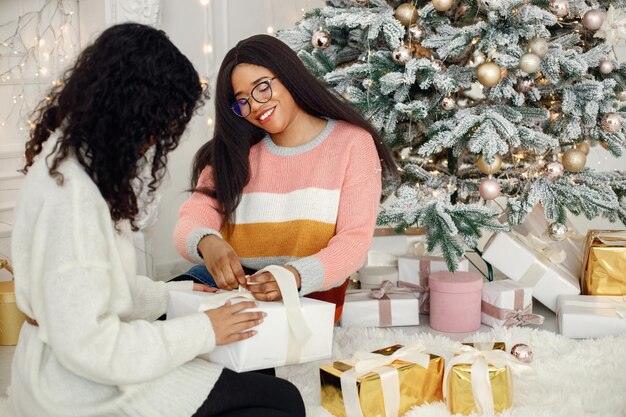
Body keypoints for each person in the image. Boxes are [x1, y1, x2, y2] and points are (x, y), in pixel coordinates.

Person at [10, 23, 305, 417]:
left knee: (280, 395)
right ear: (133, 109)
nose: (160, 138)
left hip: (81, 368)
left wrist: (168, 296)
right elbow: (92, 345)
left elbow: (90, 289)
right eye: (161, 122)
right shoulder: (73, 198)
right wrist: (204, 331)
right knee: (280, 404)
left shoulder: (66, 159)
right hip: (82, 390)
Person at [173, 34, 396, 322]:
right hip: (234, 290)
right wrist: (208, 241)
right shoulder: (232, 153)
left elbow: (353, 242)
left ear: (288, 75)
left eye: (262, 88)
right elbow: (189, 222)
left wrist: (294, 276)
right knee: (158, 322)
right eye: (242, 101)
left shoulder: (352, 143)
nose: (255, 106)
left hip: (307, 292)